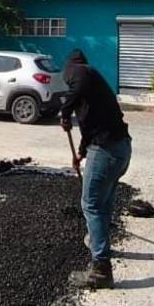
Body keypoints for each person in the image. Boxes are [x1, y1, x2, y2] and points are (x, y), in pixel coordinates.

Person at [60, 49, 132, 289]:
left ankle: (101, 268)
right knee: (103, 202)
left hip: (107, 151)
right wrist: (81, 153)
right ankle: (99, 241)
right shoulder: (93, 90)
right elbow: (89, 129)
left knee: (90, 203)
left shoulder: (81, 71)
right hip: (120, 148)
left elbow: (77, 83)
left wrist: (64, 111)